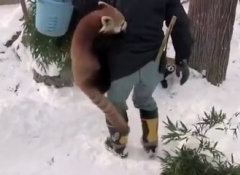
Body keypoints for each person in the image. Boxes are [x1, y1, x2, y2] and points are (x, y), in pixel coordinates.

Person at [72, 0, 193, 158]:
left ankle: (118, 143)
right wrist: (182, 58)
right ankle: (151, 141)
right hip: (153, 60)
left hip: (121, 64)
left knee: (116, 103)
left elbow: (87, 8)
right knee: (145, 99)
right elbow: (180, 22)